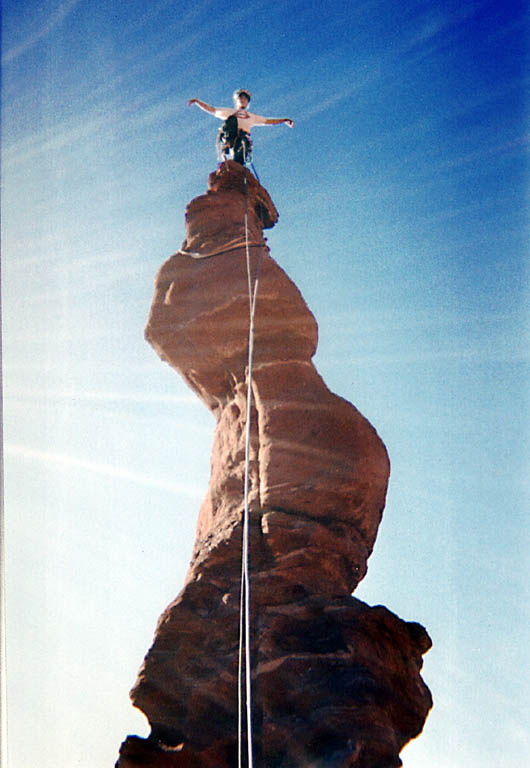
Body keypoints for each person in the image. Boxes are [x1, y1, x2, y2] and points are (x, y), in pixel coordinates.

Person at [188, 89, 294, 165]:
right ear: (237, 101)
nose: (243, 100)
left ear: (248, 102)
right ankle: (228, 144)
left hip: (242, 139)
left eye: (245, 99)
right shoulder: (230, 112)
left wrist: (284, 120)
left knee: (242, 145)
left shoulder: (252, 117)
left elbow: (268, 121)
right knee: (232, 119)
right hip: (230, 135)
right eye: (241, 98)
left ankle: (237, 162)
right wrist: (197, 102)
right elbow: (212, 110)